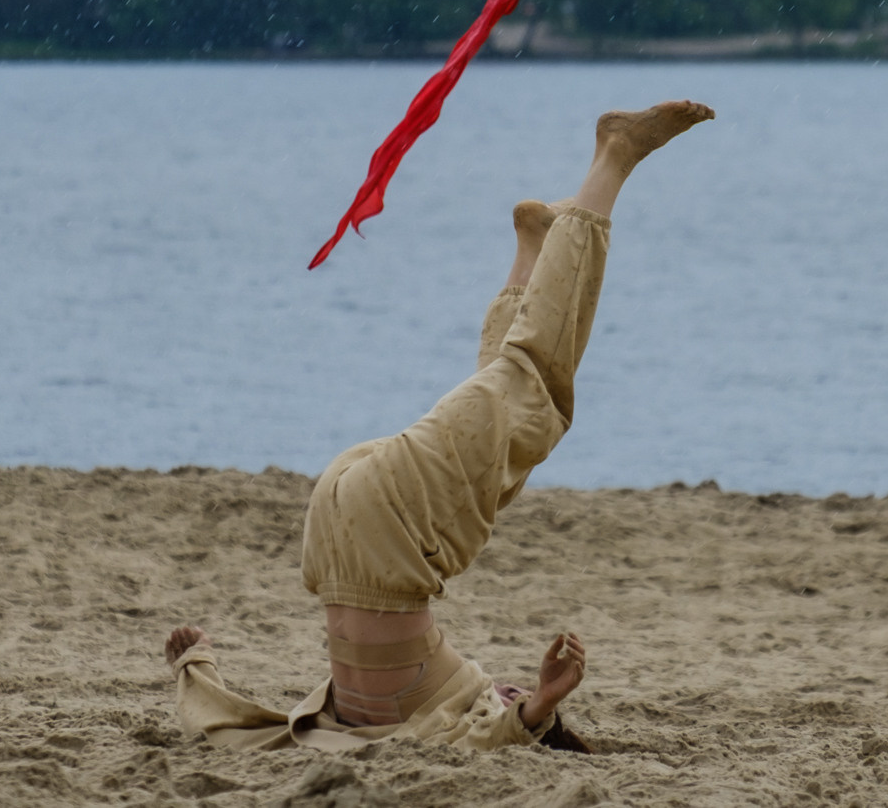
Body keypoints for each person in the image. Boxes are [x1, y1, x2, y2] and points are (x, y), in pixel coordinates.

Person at [162, 99, 715, 754]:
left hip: (375, 531)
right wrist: (538, 703)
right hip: (344, 530)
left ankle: (608, 163)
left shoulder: (440, 721)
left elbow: (247, 730)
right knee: (508, 435)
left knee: (529, 392)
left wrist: (195, 664)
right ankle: (551, 229)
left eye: (506, 697)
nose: (506, 691)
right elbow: (507, 730)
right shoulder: (433, 713)